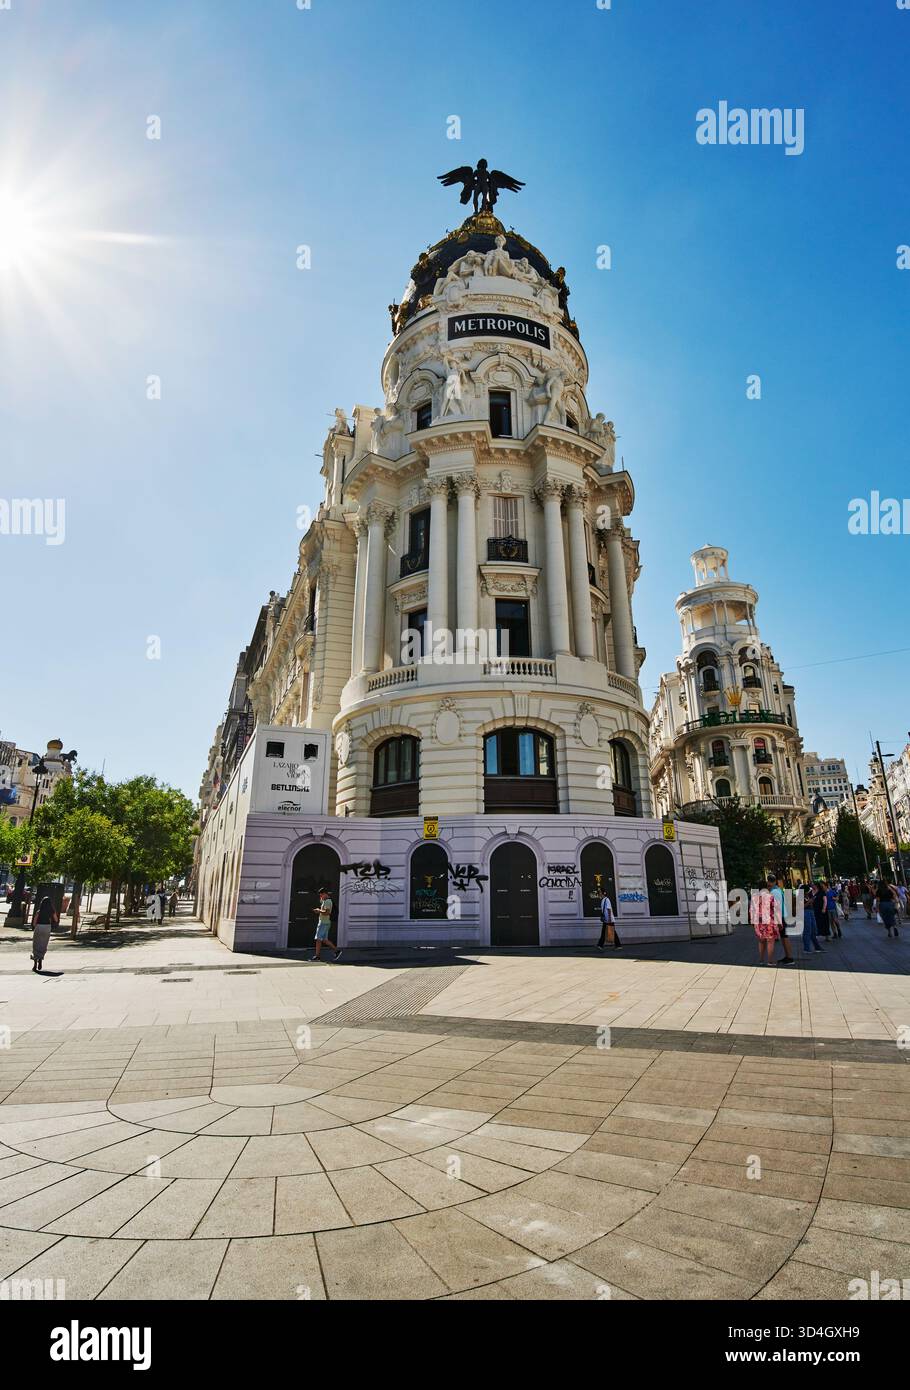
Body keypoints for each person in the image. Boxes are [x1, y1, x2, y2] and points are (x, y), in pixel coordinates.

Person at [767, 874, 794, 964]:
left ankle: (789, 958)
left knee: (785, 938)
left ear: (773, 882)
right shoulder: (778, 890)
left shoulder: (774, 892)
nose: (769, 883)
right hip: (782, 916)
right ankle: (788, 957)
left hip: (780, 917)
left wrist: (779, 922)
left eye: (770, 881)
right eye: (768, 881)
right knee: (783, 937)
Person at [312, 887, 342, 961]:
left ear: (325, 894)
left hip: (323, 922)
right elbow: (325, 909)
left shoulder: (328, 902)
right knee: (324, 940)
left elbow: (327, 912)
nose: (320, 896)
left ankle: (317, 956)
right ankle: (337, 951)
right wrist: (321, 906)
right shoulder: (326, 901)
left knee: (318, 939)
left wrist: (318, 911)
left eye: (321, 895)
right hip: (325, 922)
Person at [31, 895, 58, 973]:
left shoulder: (39, 911)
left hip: (39, 926)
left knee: (36, 944)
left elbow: (34, 922)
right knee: (43, 944)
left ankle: (35, 963)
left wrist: (34, 926)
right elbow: (56, 919)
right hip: (47, 927)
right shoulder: (51, 911)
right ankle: (41, 959)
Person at [802, 884, 823, 953]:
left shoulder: (808, 895)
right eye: (808, 890)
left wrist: (812, 901)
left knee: (814, 929)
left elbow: (810, 903)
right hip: (805, 913)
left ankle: (817, 947)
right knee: (807, 930)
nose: (809, 891)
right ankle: (806, 948)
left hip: (811, 911)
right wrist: (809, 901)